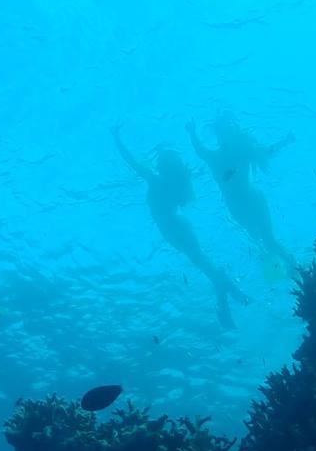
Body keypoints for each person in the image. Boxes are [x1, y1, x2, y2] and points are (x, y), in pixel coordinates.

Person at [110, 124, 247, 329]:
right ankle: (230, 292)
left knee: (202, 262)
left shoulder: (156, 180)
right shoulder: (177, 182)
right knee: (202, 261)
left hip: (172, 228)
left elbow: (132, 161)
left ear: (162, 165)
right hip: (180, 225)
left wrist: (116, 137)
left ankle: (228, 294)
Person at [187, 112, 297, 277]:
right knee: (259, 239)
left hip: (251, 201)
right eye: (221, 131)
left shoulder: (240, 151)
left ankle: (290, 263)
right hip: (240, 206)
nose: (223, 135)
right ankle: (279, 265)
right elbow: (200, 150)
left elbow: (267, 151)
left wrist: (285, 141)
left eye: (225, 131)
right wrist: (192, 133)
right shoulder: (219, 156)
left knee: (267, 240)